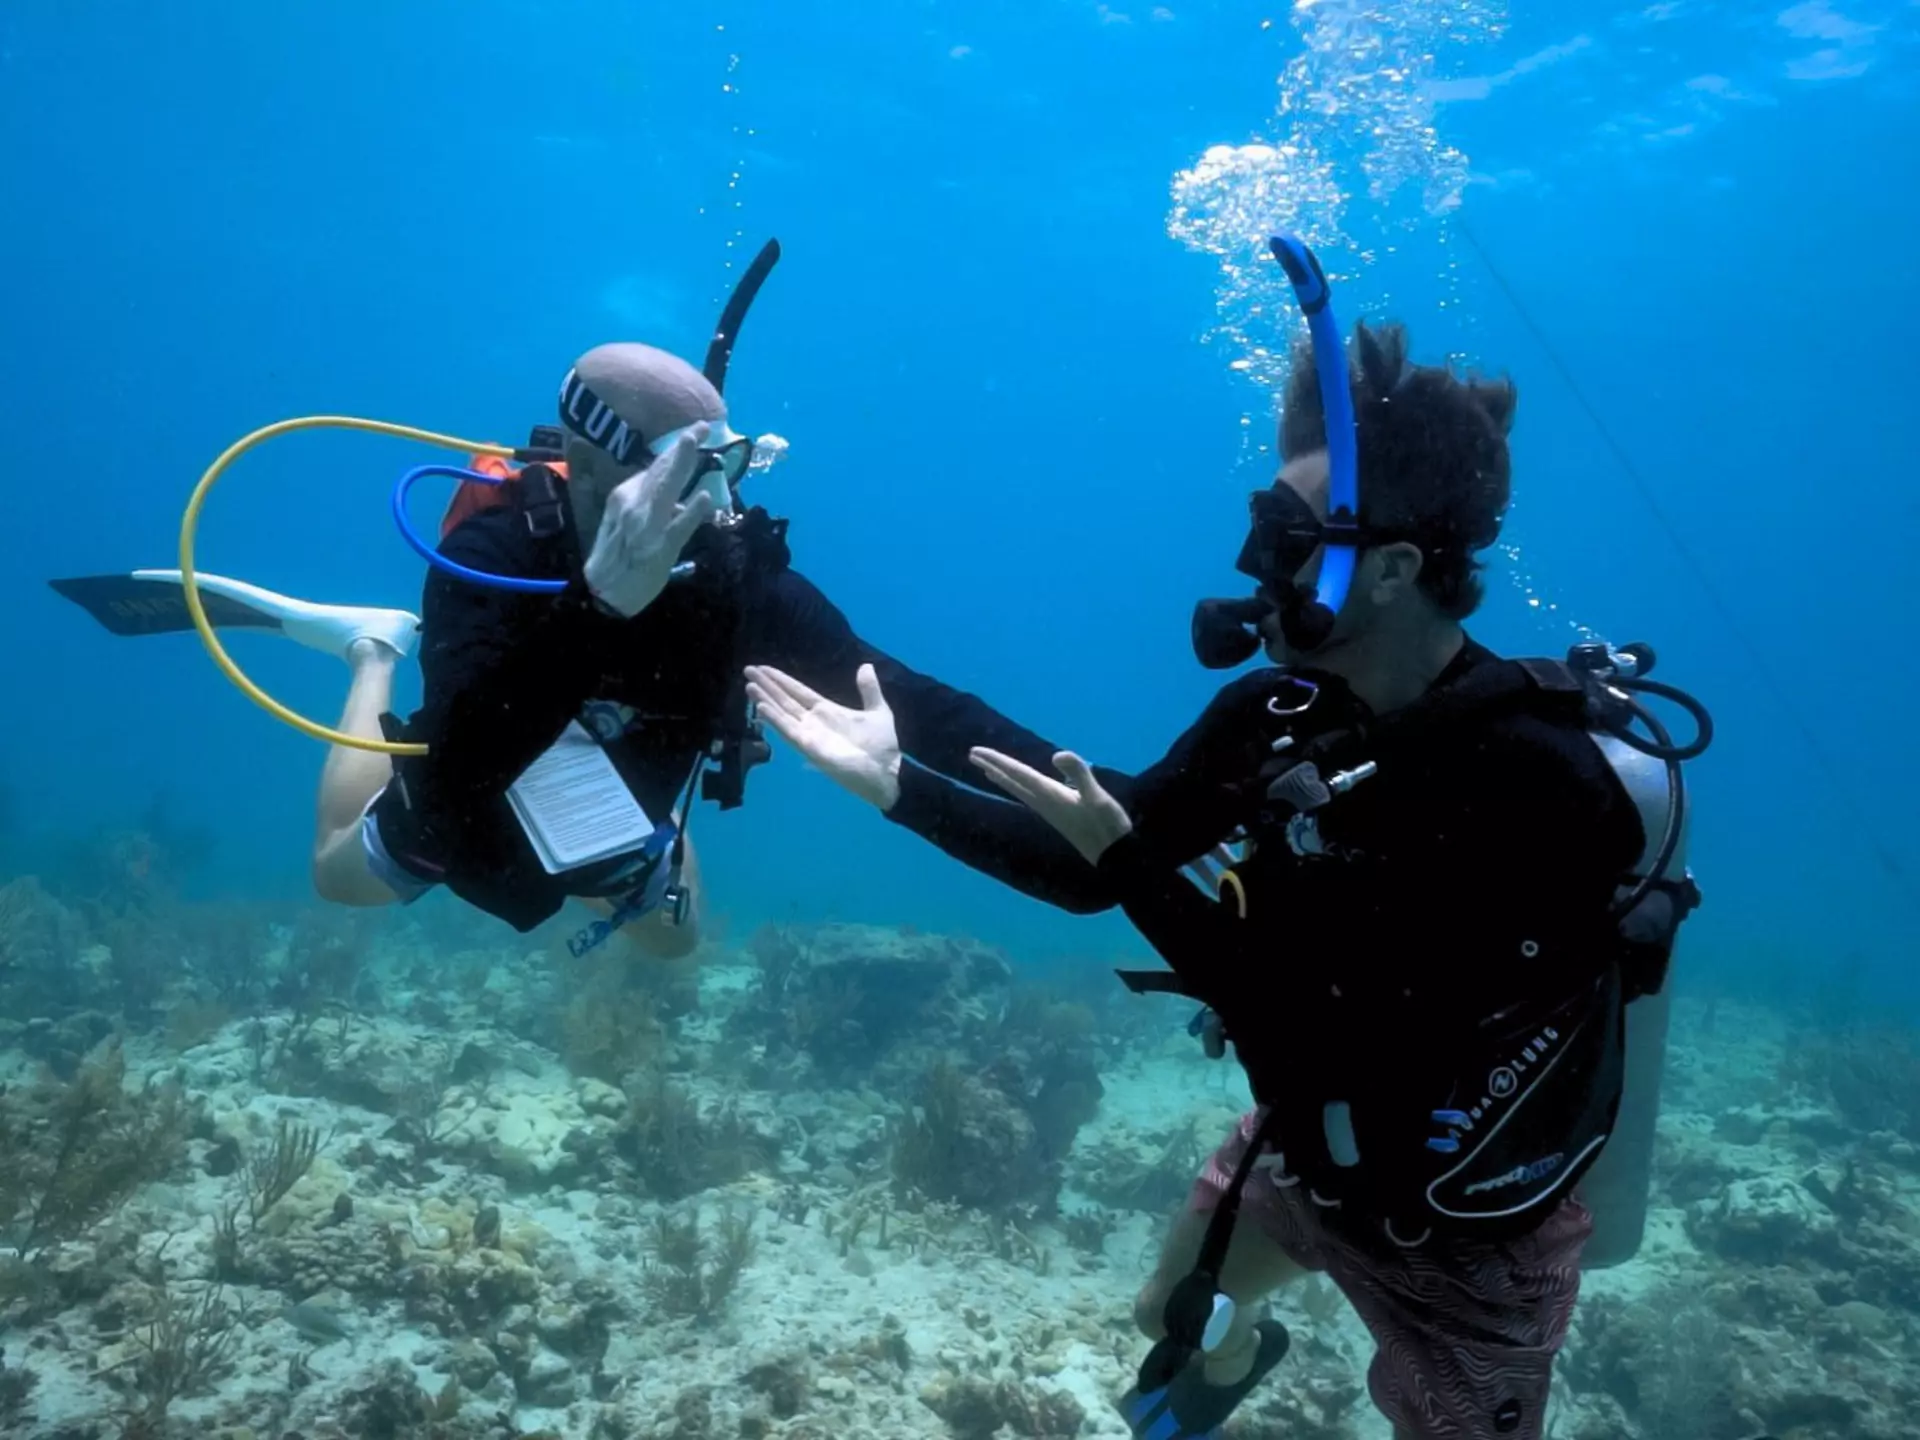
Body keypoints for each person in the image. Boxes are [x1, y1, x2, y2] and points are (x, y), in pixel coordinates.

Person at [741, 271, 1707, 1437]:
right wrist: (898, 781)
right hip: (1311, 1151)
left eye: (1288, 540)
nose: (1257, 568)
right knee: (1176, 1311)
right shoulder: (1278, 714)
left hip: (1469, 1228)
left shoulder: (1533, 781)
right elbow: (1088, 855)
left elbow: (1320, 1020)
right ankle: (1233, 1365)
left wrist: (1137, 868)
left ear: (1393, 568)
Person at [52, 338, 1078, 961]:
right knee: (338, 877)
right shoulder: (499, 547)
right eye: (684, 476)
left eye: (722, 475)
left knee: (677, 952)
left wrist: (1096, 805)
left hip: (616, 802)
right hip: (482, 791)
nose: (709, 510)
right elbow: (459, 767)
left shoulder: (729, 568)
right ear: (587, 461)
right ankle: (369, 653)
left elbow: (894, 695)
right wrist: (598, 605)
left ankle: (638, 836)